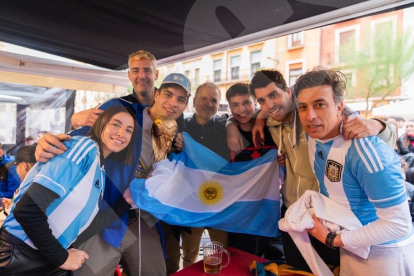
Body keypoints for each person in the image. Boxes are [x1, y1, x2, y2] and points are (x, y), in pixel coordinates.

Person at [35, 73, 191, 276]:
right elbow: (81, 135)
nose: (173, 103)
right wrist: (41, 146)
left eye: (181, 99)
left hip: (142, 220)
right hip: (104, 219)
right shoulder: (124, 111)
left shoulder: (173, 132)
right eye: (168, 94)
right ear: (157, 93)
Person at [248, 69, 396, 272]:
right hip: (293, 211)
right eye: (262, 101)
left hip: (329, 216)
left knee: (334, 269)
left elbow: (378, 136)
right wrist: (258, 117)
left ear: (288, 91)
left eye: (274, 95)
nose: (270, 105)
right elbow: (251, 113)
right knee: (297, 269)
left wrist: (378, 125)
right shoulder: (270, 123)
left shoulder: (318, 116)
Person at [294, 67, 414, 275]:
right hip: (351, 245)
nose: (310, 115)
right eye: (303, 107)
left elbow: (399, 224)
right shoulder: (314, 138)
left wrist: (331, 238)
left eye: (320, 104)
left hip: (383, 252)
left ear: (339, 106)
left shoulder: (364, 150)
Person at [0, 106, 137, 275]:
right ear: (100, 124)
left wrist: (125, 203)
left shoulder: (99, 170)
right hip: (20, 255)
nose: (121, 133)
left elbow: (82, 227)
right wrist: (61, 258)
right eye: (115, 124)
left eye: (129, 130)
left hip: (47, 256)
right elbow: (28, 210)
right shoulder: (84, 148)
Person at [165, 82, 229, 274]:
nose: (209, 104)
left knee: (221, 256)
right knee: (190, 257)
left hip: (219, 207)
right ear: (194, 102)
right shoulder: (179, 125)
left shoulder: (226, 126)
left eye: (214, 100)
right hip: (190, 207)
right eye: (204, 98)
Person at [225, 83, 278, 256]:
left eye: (246, 102)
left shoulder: (272, 129)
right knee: (241, 260)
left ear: (255, 103)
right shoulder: (225, 134)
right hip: (240, 215)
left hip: (270, 212)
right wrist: (229, 124)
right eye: (235, 105)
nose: (242, 109)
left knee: (271, 261)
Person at [0, 144, 37, 226]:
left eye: (16, 166)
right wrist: (11, 202)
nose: (16, 170)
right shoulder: (40, 186)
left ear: (24, 166)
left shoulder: (26, 189)